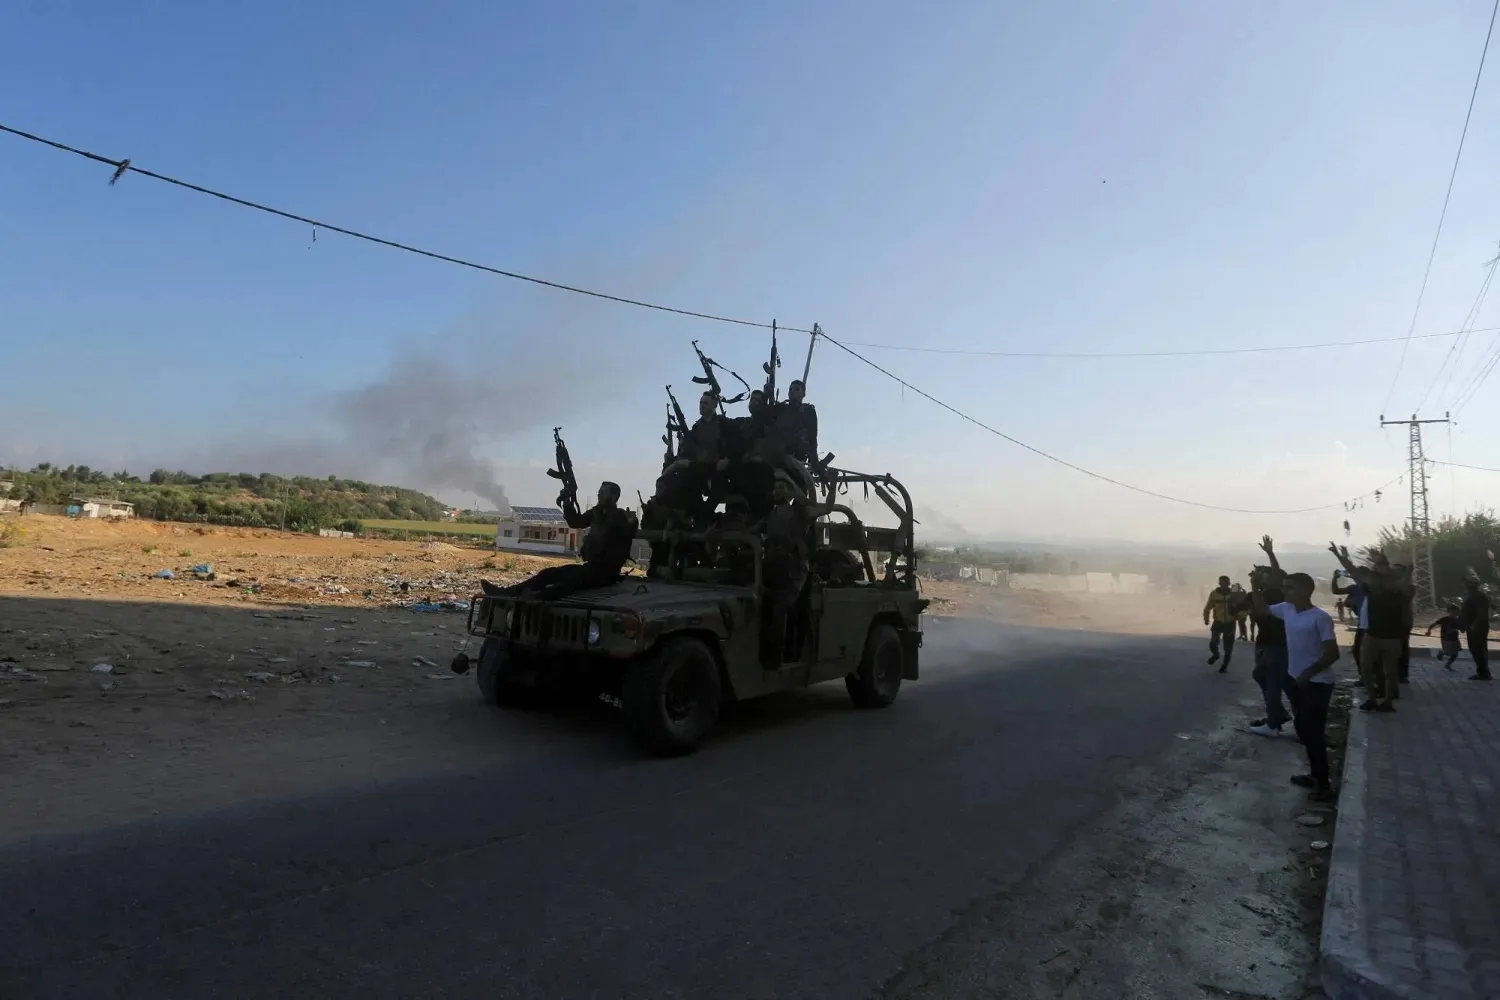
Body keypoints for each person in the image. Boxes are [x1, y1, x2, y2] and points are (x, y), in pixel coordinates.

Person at [1251, 572, 1339, 802]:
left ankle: (1323, 786)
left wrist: (1307, 674)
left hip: (1317, 684)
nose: (1284, 591)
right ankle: (1315, 775)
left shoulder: (1320, 618)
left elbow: (1332, 654)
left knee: (1314, 734)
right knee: (1304, 731)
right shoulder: (1286, 609)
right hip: (1298, 681)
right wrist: (1254, 586)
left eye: (1289, 587)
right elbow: (1262, 611)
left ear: (1304, 590)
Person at [488, 482, 637, 601]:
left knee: (571, 582)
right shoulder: (596, 514)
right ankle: (508, 592)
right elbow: (575, 522)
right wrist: (567, 503)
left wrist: (632, 522)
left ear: (613, 497)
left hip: (606, 573)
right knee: (548, 574)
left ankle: (540, 597)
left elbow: (624, 535)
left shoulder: (620, 517)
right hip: (591, 567)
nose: (598, 494)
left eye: (603, 493)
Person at [758, 473, 836, 667]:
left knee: (780, 606)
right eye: (776, 487)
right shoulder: (770, 515)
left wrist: (832, 485)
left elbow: (827, 507)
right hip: (773, 568)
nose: (778, 491)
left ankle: (778, 656)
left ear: (790, 492)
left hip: (795, 570)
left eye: (782, 487)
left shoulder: (800, 513)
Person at [1330, 543, 1409, 713]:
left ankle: (1387, 701)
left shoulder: (1399, 588)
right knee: (1366, 667)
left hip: (1392, 636)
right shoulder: (1371, 589)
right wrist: (1339, 556)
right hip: (1372, 634)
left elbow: (1403, 573)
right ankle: (1373, 699)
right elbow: (1352, 570)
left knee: (1390, 670)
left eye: (1382, 564)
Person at [1246, 537, 1291, 738]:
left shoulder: (1276, 592)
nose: (1259, 575)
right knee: (1261, 676)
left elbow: (1274, 573)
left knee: (1273, 683)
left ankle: (1274, 723)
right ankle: (1278, 715)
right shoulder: (1263, 593)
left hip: (1276, 644)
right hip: (1265, 643)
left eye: (1263, 574)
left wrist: (1270, 554)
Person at [1459, 575, 1493, 682]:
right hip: (1472, 627)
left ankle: (1484, 673)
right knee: (1475, 649)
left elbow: (1482, 614)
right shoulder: (1471, 596)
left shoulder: (1480, 597)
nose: (1464, 585)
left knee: (1479, 650)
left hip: (1478, 628)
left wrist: (1474, 625)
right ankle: (1481, 672)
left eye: (1467, 583)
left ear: (1472, 585)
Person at [777, 379, 819, 462]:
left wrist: (813, 458)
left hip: (797, 456)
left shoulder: (808, 411)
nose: (792, 392)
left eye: (796, 389)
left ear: (803, 394)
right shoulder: (781, 408)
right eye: (790, 389)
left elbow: (812, 436)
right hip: (778, 453)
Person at [1203, 575, 1238, 672]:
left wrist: (1239, 616)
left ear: (1229, 583)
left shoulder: (1234, 594)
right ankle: (1216, 655)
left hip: (1230, 623)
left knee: (1228, 647)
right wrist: (1206, 619)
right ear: (1219, 583)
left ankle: (1224, 666)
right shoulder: (1214, 594)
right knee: (1213, 643)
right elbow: (1207, 607)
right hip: (1218, 622)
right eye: (1222, 582)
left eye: (1226, 583)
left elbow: (1242, 607)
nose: (1224, 585)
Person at [1425, 602, 1464, 671]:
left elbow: (1462, 629)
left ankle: (1447, 665)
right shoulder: (1445, 619)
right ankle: (1442, 652)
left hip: (1455, 639)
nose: (1455, 613)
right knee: (1448, 652)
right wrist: (1429, 631)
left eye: (1456, 611)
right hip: (1446, 639)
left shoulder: (1458, 620)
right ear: (1449, 612)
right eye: (1453, 611)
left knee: (1455, 654)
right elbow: (1433, 624)